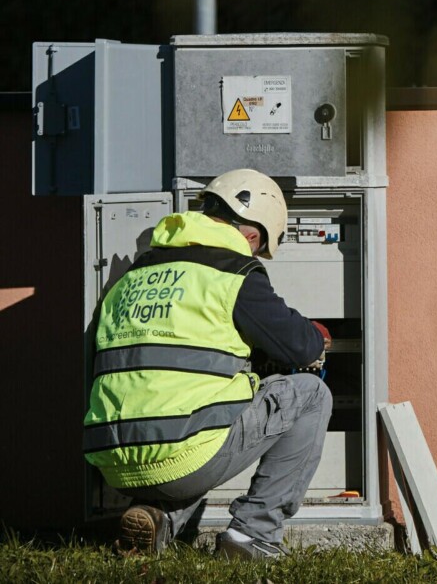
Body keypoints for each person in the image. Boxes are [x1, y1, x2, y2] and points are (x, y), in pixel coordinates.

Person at [82, 168, 333, 559]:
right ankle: (254, 536)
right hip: (182, 456)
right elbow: (301, 347)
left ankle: (160, 518)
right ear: (251, 234)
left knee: (200, 409)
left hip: (112, 459)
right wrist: (319, 337)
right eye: (259, 247)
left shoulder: (132, 275)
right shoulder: (233, 272)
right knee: (311, 393)